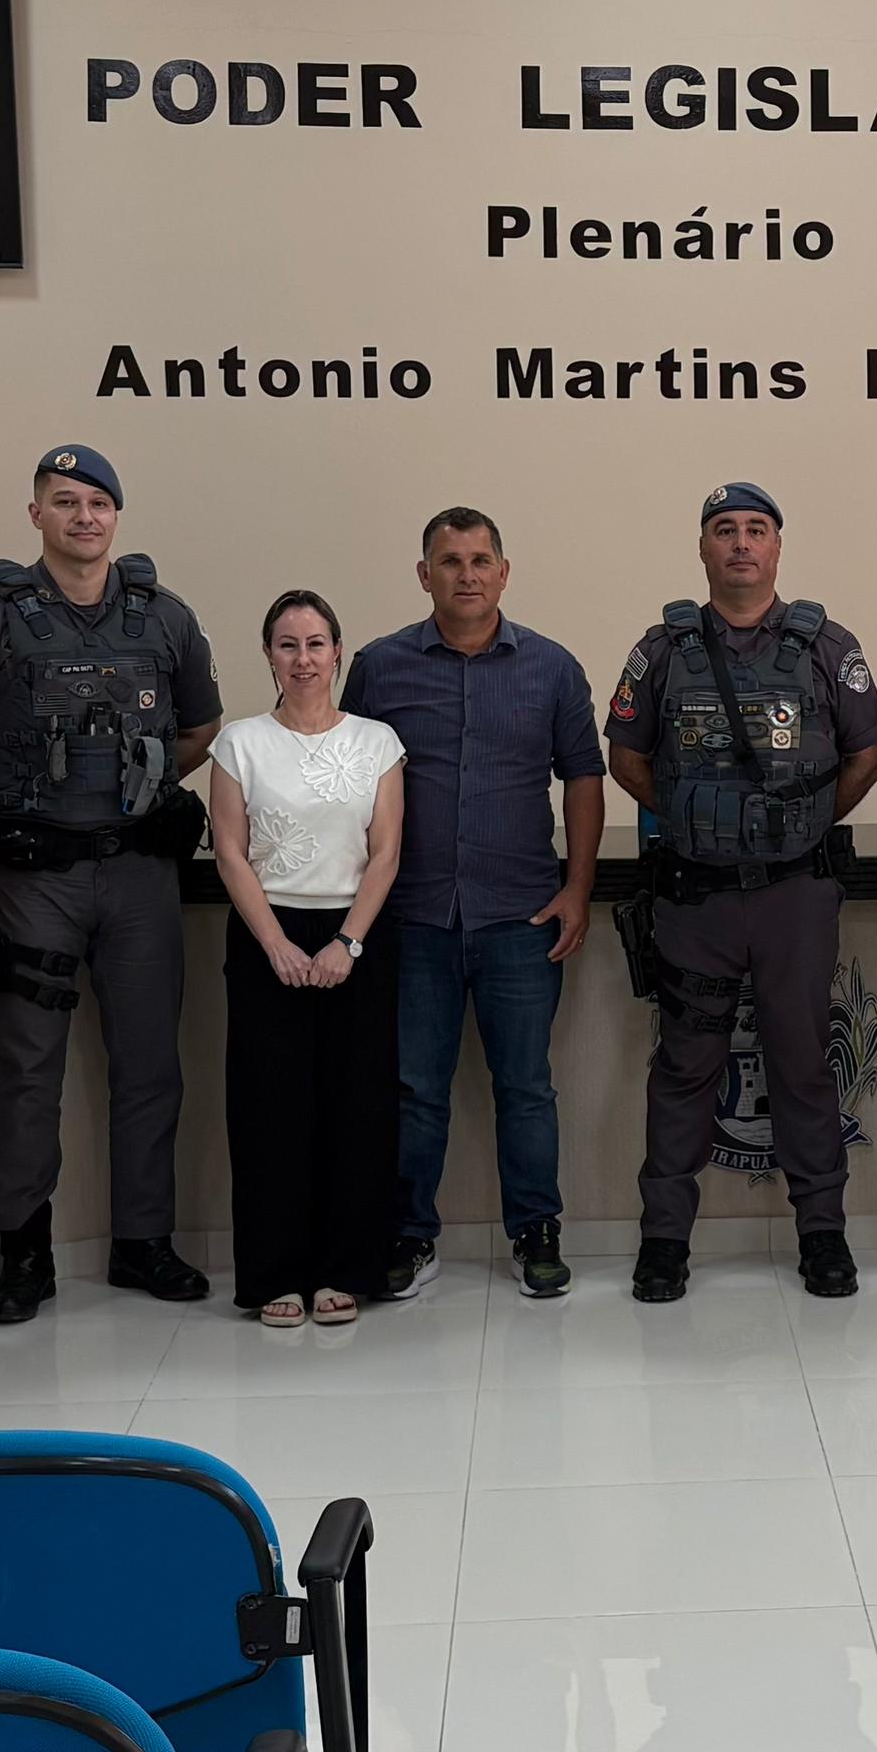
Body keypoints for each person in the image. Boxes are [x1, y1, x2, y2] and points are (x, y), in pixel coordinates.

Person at [0, 444, 222, 1323]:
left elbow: (200, 729)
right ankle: (25, 1256)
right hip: (36, 874)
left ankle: (143, 1243)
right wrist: (6, 798)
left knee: (149, 1065)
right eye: (65, 502)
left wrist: (145, 785)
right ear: (36, 516)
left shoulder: (165, 617)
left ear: (116, 517)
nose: (83, 517)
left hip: (137, 872)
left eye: (97, 502)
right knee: (26, 1068)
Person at [607, 481, 877, 1303]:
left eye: (756, 530)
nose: (740, 543)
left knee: (803, 1065)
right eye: (724, 530)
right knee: (685, 1066)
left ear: (776, 547)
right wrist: (702, 822)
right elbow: (627, 757)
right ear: (702, 549)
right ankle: (663, 1241)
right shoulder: (662, 651)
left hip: (793, 896)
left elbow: (868, 752)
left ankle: (823, 1236)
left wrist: (796, 825)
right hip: (696, 899)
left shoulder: (825, 644)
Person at [343, 507, 602, 1302]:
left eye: (480, 559)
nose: (466, 573)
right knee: (414, 1086)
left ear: (504, 571)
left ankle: (536, 1231)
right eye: (449, 560)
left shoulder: (552, 668)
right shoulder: (380, 667)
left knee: (525, 1085)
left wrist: (578, 887)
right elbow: (345, 772)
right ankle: (409, 1234)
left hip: (522, 916)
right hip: (412, 917)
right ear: (424, 574)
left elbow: (584, 776)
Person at [207, 593, 409, 1325]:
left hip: (357, 934)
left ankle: (345, 1269)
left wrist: (348, 943)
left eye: (316, 644)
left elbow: (385, 852)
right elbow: (230, 851)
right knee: (270, 1111)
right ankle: (276, 1276)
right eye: (287, 645)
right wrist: (277, 946)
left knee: (358, 1108)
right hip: (269, 933)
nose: (303, 659)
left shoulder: (377, 742)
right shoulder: (240, 743)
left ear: (338, 653)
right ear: (268, 655)